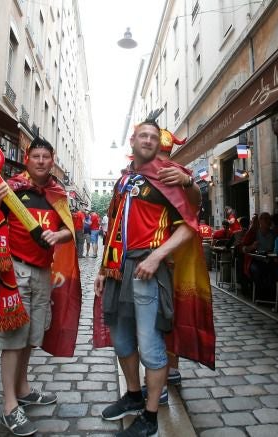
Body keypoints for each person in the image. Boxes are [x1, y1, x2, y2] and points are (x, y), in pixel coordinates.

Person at [94, 119, 214, 437]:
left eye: (152, 136)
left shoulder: (166, 174)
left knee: (150, 345)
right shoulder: (124, 180)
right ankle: (133, 395)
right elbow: (115, 225)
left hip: (148, 268)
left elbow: (190, 222)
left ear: (156, 143)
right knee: (121, 340)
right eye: (142, 135)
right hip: (118, 268)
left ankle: (150, 415)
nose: (147, 140)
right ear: (132, 141)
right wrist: (102, 269)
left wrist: (158, 255)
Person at [0, 136, 74, 436]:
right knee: (13, 338)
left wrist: (57, 237)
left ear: (53, 161)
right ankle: (10, 405)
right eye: (35, 156)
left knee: (30, 336)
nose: (40, 161)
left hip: (42, 273)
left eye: (45, 157)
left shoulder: (57, 193)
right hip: (15, 270)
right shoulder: (10, 189)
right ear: (27, 158)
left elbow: (68, 229)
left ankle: (23, 389)